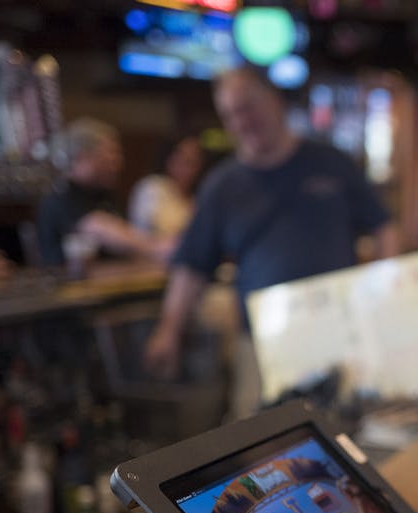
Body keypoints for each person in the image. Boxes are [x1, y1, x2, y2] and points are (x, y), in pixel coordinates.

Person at [143, 66, 398, 418]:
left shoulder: (331, 162)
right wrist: (168, 331)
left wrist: (383, 292)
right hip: (262, 347)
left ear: (276, 100)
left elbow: (384, 227)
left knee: (345, 438)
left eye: (248, 106)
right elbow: (191, 266)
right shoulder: (223, 185)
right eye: (230, 114)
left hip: (340, 335)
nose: (242, 121)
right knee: (259, 451)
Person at [35, 117, 171, 269]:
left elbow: (125, 236)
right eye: (110, 154)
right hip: (70, 289)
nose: (118, 163)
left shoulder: (103, 194)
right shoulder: (62, 195)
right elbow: (102, 230)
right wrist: (156, 248)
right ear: (83, 156)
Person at [129, 134, 206, 239]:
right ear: (169, 159)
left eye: (195, 161)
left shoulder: (198, 197)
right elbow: (151, 231)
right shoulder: (152, 187)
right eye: (185, 160)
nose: (189, 168)